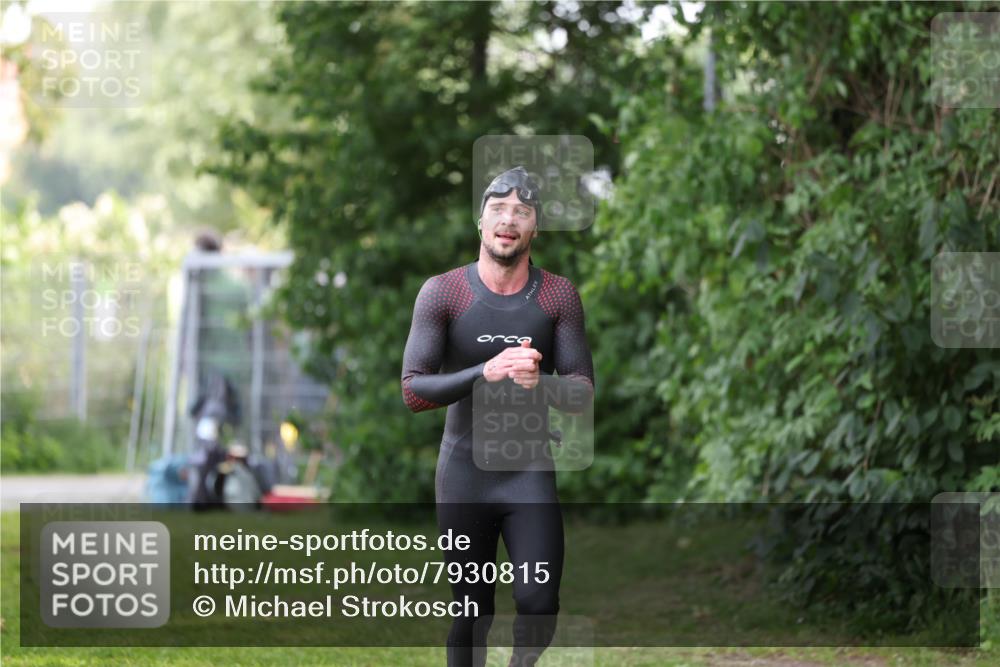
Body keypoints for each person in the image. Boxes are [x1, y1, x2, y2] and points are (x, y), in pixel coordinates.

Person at [401, 166, 594, 667]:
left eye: (522, 212)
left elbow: (581, 392)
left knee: (537, 603)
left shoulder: (557, 295)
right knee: (471, 612)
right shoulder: (443, 293)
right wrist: (483, 371)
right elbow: (414, 391)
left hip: (528, 472)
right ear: (480, 222)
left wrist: (543, 385)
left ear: (535, 229)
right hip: (463, 473)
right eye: (498, 209)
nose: (508, 220)